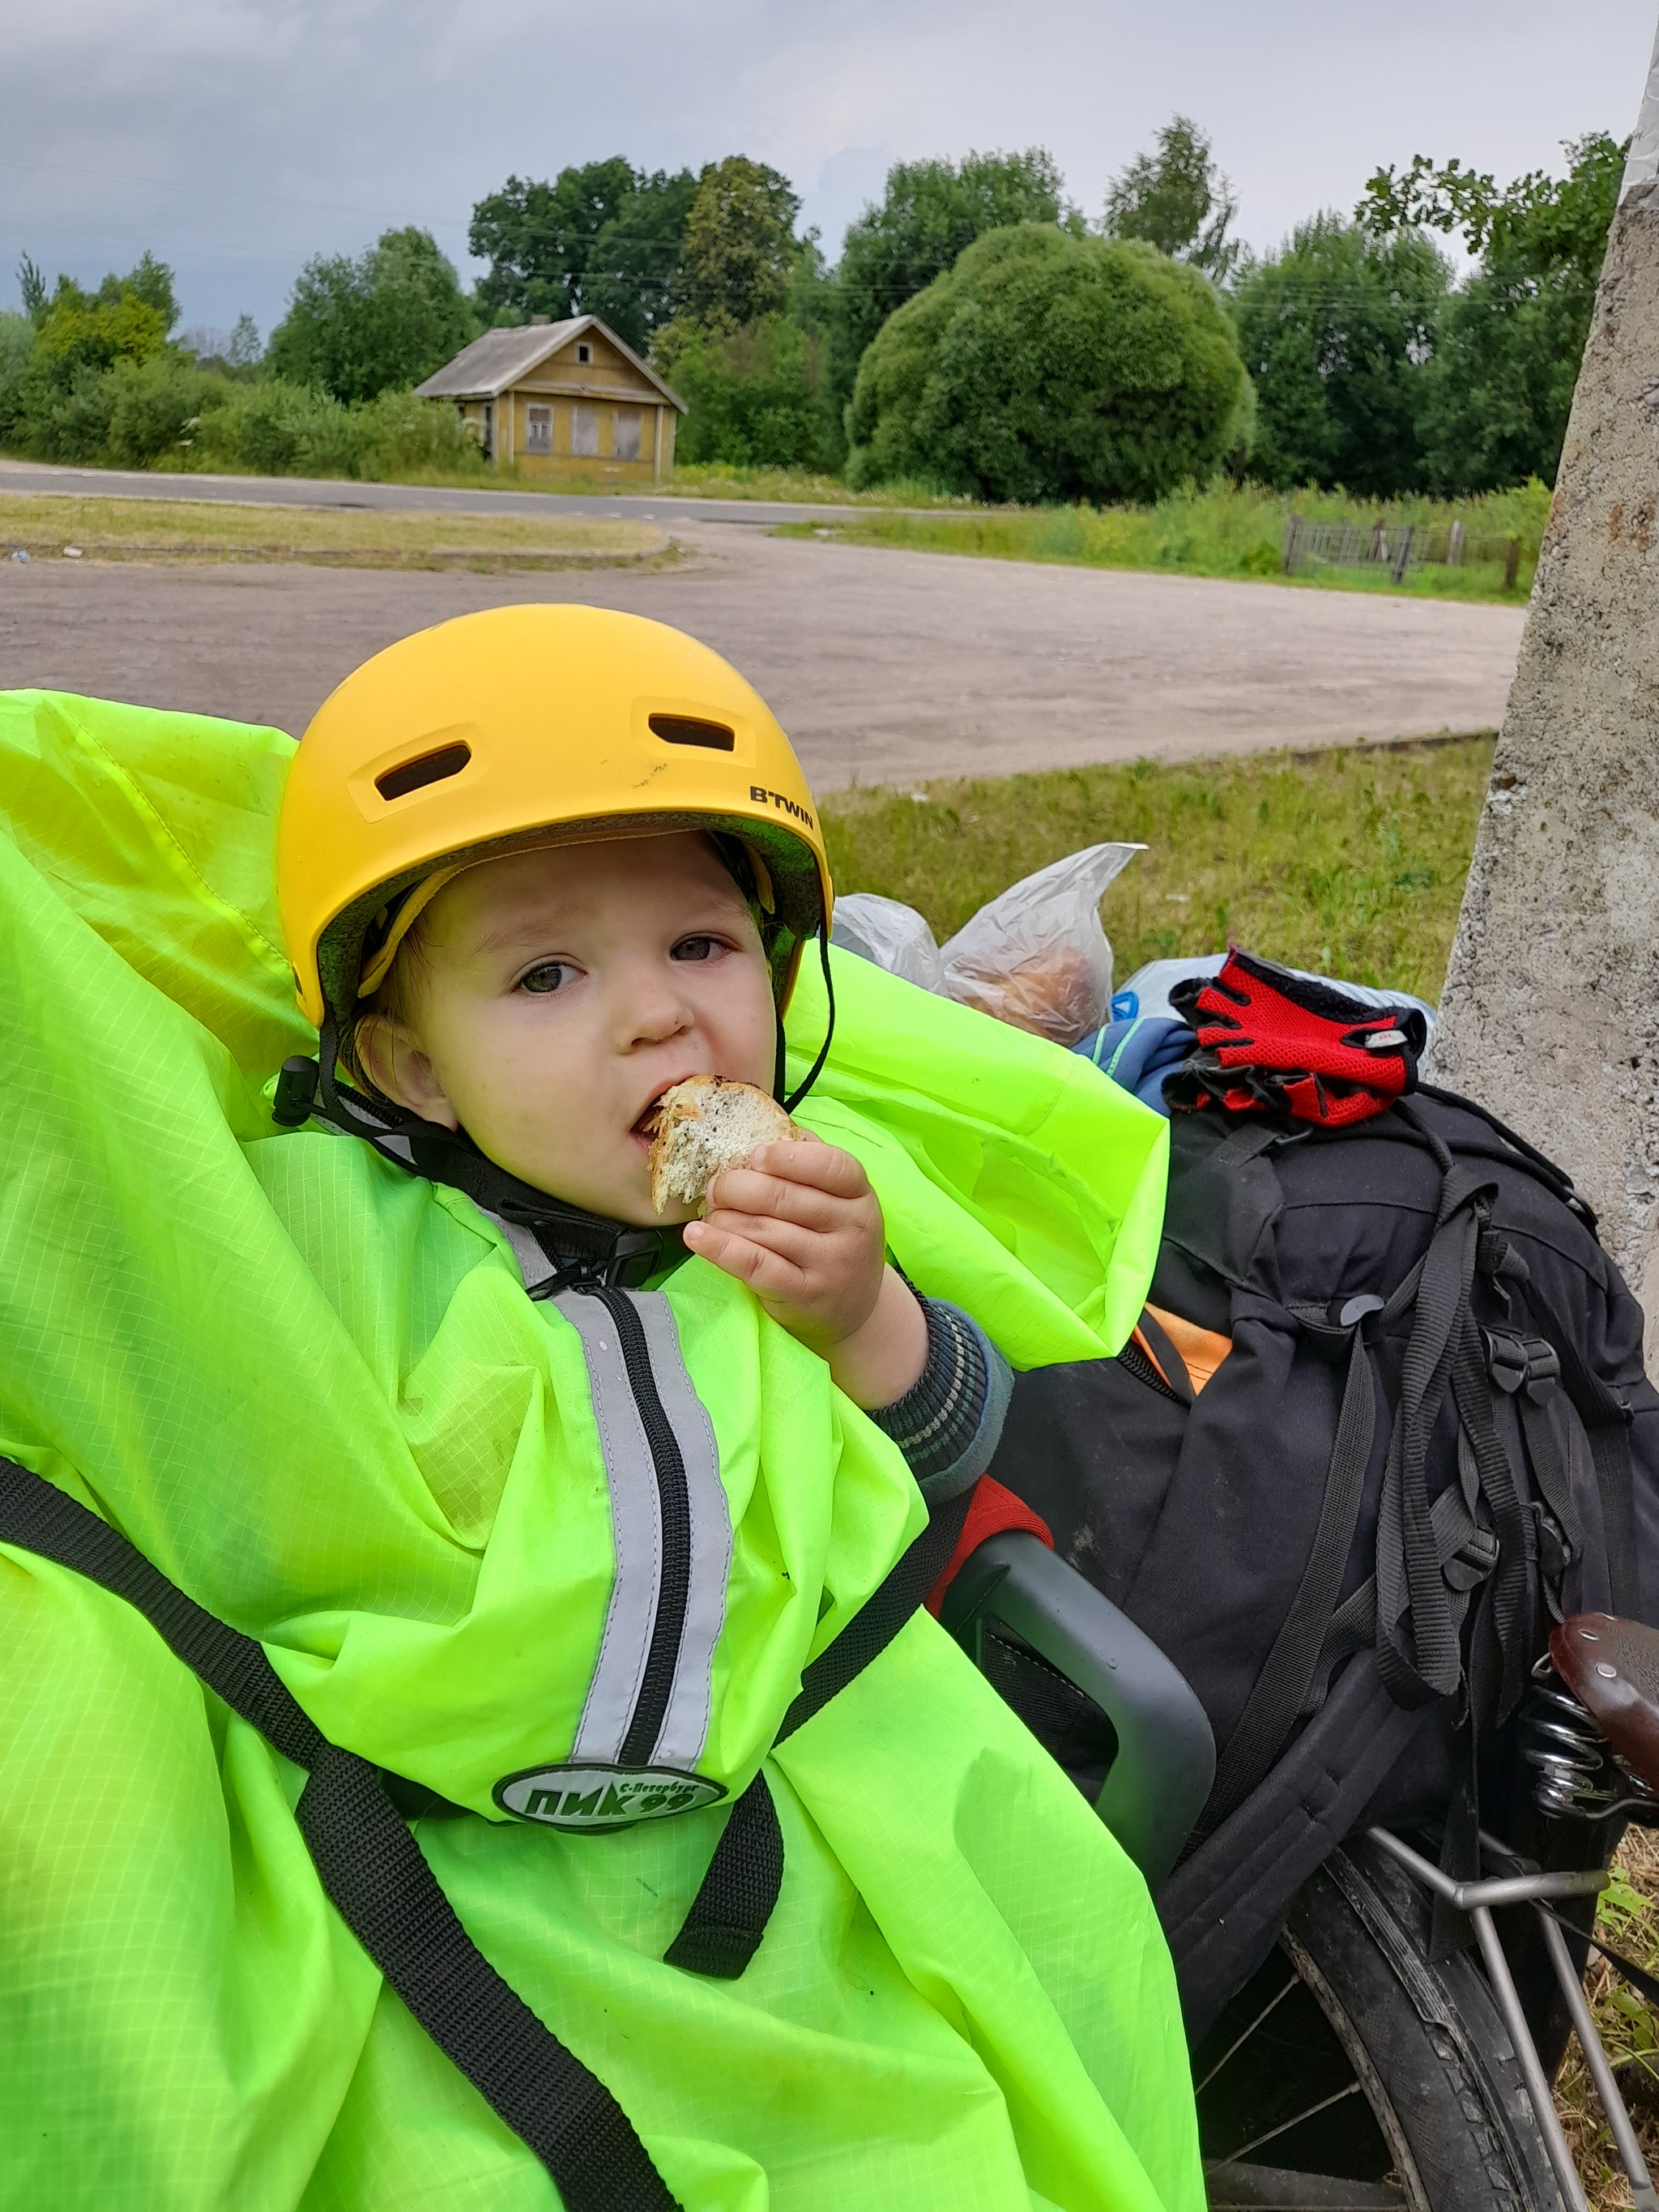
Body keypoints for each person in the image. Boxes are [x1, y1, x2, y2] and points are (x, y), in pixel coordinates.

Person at [0, 606, 1199, 2210]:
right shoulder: (316, 1239)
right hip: (407, 1867)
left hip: (772, 1874)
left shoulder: (798, 1226)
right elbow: (147, 1293)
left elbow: (934, 1456)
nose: (657, 1015)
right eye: (547, 970)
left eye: (702, 946)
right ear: (411, 1067)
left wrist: (867, 1316)